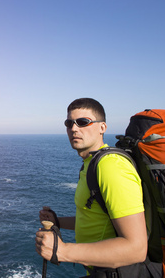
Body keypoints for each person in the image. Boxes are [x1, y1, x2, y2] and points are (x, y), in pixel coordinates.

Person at [35, 98, 147, 276]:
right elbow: (94, 218)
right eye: (69, 123)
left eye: (83, 122)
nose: (74, 128)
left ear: (102, 127)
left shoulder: (111, 166)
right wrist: (58, 222)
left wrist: (62, 251)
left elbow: (137, 249)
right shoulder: (91, 163)